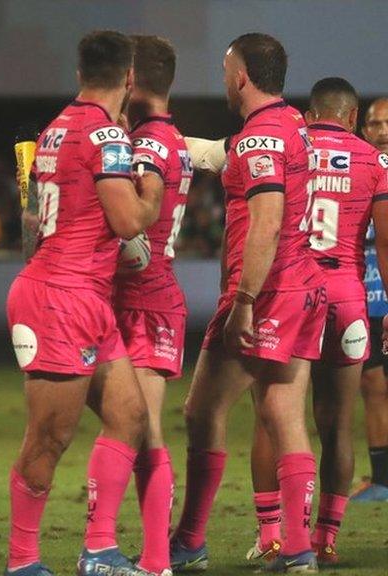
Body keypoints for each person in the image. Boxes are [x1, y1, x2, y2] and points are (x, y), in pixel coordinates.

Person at [4, 30, 164, 576]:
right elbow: (128, 221)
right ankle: (22, 561)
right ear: (129, 80)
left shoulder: (57, 128)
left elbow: (36, 217)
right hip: (62, 299)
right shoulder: (106, 135)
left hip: (81, 295)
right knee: (49, 439)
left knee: (130, 417)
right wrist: (153, 185)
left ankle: (99, 550)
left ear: (79, 75)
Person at [169, 33, 324, 573]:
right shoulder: (291, 126)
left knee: (201, 411)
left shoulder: (260, 139)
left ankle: (190, 539)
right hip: (305, 291)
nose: (222, 77)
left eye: (224, 68)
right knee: (284, 414)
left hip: (268, 296)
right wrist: (163, 138)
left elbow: (268, 220)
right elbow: (218, 153)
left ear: (240, 76)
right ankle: (300, 550)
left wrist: (245, 301)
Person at [243, 77, 388, 567]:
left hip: (292, 293)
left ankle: (274, 535)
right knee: (339, 426)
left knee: (274, 418)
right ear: (352, 118)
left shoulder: (291, 145)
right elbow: (386, 245)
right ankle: (326, 538)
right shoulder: (376, 161)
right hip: (348, 296)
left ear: (309, 115)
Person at [113, 34, 192, 576]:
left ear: (133, 79)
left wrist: (123, 235)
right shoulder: (170, 136)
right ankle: (133, 549)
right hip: (147, 298)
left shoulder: (147, 145)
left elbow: (140, 227)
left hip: (146, 300)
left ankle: (156, 558)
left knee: (141, 429)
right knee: (131, 428)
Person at [353, 97, 388, 503]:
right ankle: (381, 479)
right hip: (366, 297)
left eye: (386, 123)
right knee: (371, 384)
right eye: (373, 124)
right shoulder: (360, 169)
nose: (380, 130)